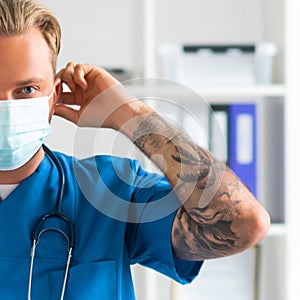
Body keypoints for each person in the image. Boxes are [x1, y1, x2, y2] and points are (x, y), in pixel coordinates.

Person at [0, 0, 270, 299]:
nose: (8, 108)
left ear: (54, 97)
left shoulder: (107, 189)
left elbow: (244, 223)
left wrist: (130, 115)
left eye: (27, 90)